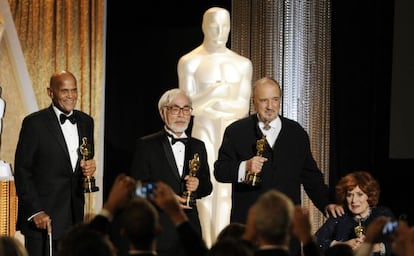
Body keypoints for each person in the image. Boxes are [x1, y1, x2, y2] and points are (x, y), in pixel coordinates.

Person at [213, 77, 343, 255]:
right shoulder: (236, 131)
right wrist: (244, 167)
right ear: (253, 102)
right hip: (249, 229)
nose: (270, 106)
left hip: (287, 230)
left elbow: (311, 176)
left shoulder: (296, 133)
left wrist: (326, 203)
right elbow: (220, 171)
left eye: (275, 100)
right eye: (264, 100)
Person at [177, 6, 253, 244]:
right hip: (204, 130)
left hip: (231, 131)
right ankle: (207, 244)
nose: (220, 31)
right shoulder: (190, 61)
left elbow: (242, 107)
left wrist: (212, 102)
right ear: (203, 26)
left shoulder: (242, 64)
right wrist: (214, 93)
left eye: (225, 26)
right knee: (204, 187)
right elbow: (187, 106)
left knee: (227, 190)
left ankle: (223, 244)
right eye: (214, 25)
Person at [14, 70, 96, 256]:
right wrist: (36, 212)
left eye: (74, 90)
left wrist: (90, 166)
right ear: (51, 92)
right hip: (43, 220)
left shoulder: (86, 121)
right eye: (64, 91)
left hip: (74, 218)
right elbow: (22, 170)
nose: (71, 96)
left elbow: (84, 158)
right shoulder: (34, 123)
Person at [129, 88, 213, 256]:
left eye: (186, 108)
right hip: (161, 230)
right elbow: (136, 188)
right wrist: (163, 197)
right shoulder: (146, 145)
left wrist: (198, 185)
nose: (181, 114)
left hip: (191, 230)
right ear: (163, 113)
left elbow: (208, 186)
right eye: (175, 108)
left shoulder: (199, 146)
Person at [315, 171, 395, 255]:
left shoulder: (382, 214)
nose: (354, 200)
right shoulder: (340, 215)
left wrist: (375, 247)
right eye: (349, 195)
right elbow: (316, 240)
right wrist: (343, 245)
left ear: (370, 195)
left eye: (360, 194)